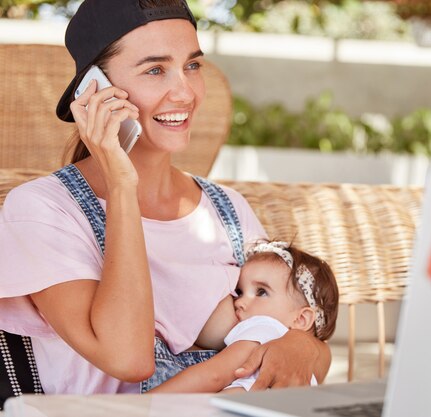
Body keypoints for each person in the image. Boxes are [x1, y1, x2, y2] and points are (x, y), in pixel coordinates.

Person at [0, 0, 330, 395]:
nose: (185, 91)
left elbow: (298, 332)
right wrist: (122, 184)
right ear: (94, 89)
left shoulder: (226, 210)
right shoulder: (42, 211)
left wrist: (304, 345)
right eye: (155, 70)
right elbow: (130, 359)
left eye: (192, 65)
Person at [147, 241, 340, 393]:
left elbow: (214, 376)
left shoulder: (265, 329)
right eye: (239, 291)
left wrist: (140, 406)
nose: (239, 302)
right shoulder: (301, 369)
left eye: (262, 292)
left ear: (301, 319)